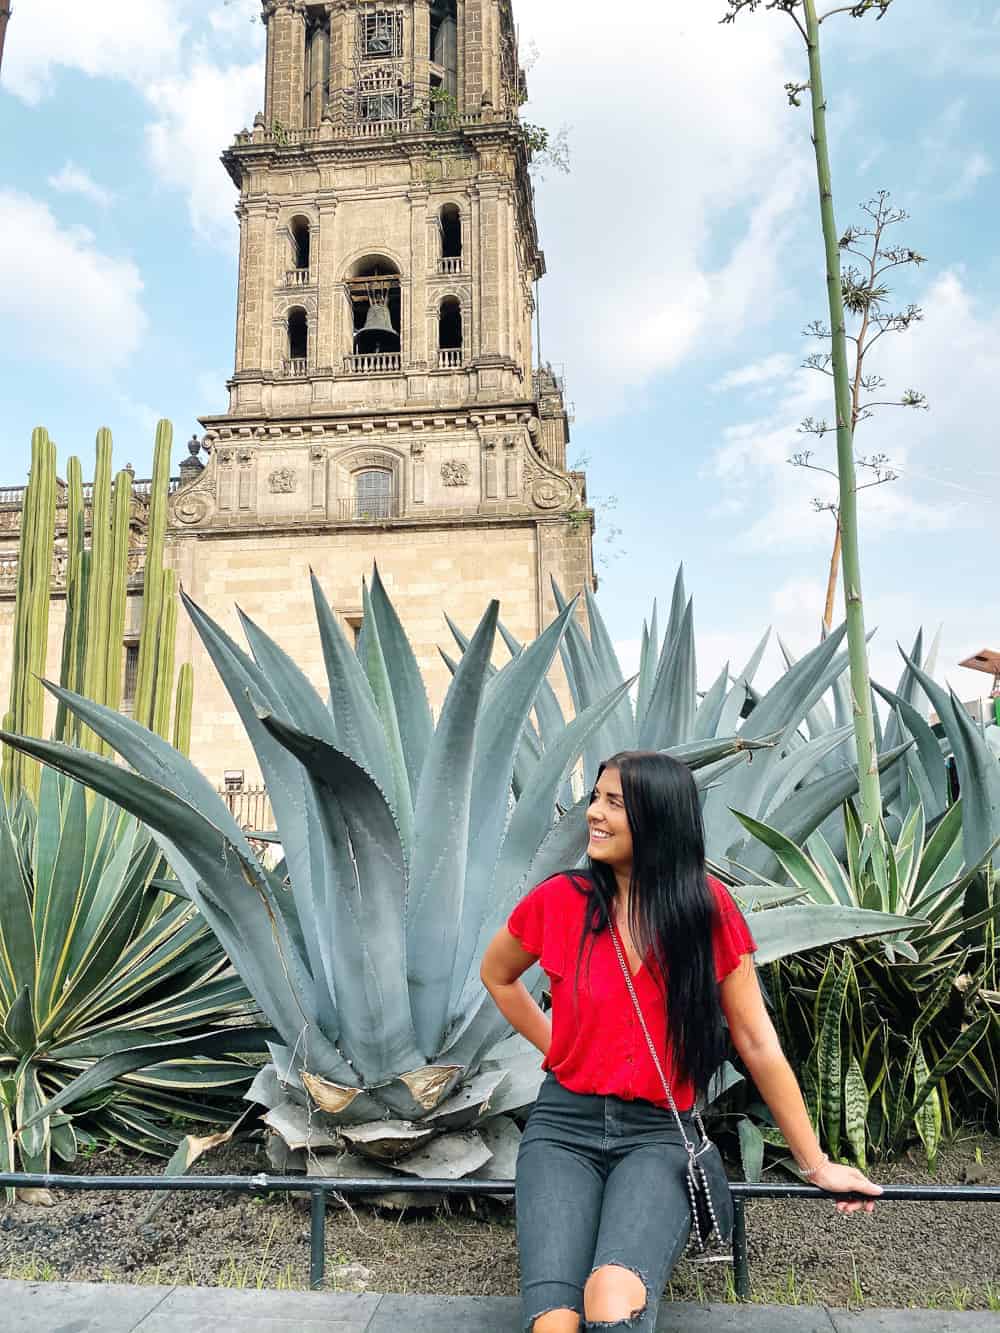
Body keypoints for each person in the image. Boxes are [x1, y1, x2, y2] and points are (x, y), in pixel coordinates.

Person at [481, 750, 881, 1333]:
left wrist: (815, 1164)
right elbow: (499, 975)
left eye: (615, 803)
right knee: (555, 1322)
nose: (595, 813)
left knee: (611, 1299)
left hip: (657, 1136)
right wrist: (561, 1050)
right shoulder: (560, 901)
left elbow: (756, 1041)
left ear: (658, 817)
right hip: (561, 1130)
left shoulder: (705, 910)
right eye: (596, 797)